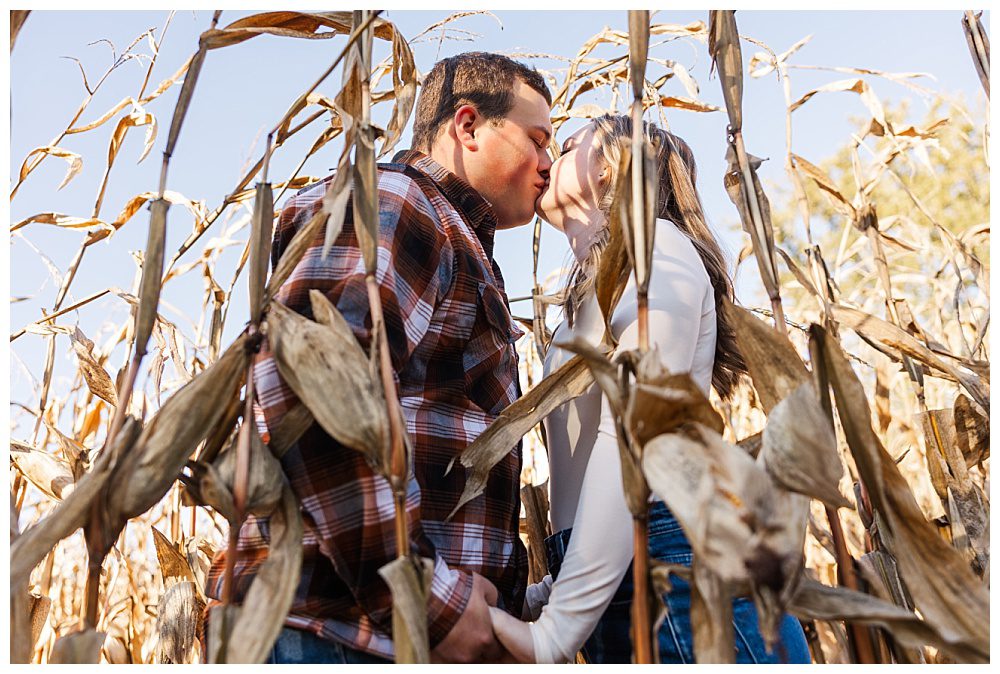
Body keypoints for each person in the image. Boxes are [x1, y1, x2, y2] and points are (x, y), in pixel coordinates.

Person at [203, 52, 553, 664]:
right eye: (536, 139)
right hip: (340, 632)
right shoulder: (399, 204)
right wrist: (427, 600)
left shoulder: (447, 232)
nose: (547, 162)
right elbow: (312, 396)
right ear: (467, 126)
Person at [488, 114, 812, 664]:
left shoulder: (655, 247)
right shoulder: (598, 284)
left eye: (566, 146)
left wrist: (559, 629)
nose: (546, 160)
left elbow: (636, 438)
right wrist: (552, 589)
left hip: (675, 561)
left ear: (615, 167)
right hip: (629, 566)